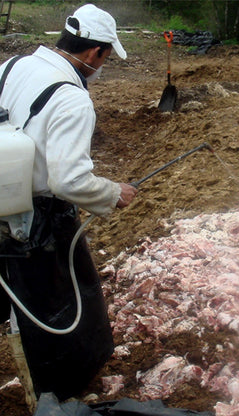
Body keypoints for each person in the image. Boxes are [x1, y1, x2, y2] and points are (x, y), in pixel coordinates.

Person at [0, 3, 137, 410]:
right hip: (36, 219)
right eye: (106, 58)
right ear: (95, 53)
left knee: (10, 291)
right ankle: (56, 390)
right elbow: (68, 181)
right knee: (58, 307)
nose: (102, 66)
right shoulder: (74, 100)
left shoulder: (12, 66)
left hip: (3, 198)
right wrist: (114, 193)